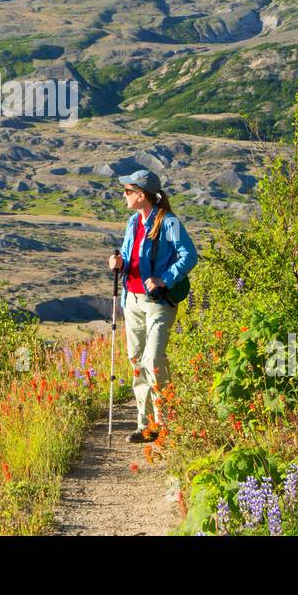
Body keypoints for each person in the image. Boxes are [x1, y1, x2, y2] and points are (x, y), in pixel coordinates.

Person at [107, 169, 197, 443]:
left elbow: (189, 255)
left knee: (152, 360)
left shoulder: (168, 223)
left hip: (157, 302)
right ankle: (146, 426)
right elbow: (126, 252)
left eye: (128, 191)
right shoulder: (133, 222)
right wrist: (118, 262)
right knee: (137, 360)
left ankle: (166, 423)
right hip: (132, 299)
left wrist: (165, 279)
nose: (124, 195)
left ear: (141, 195)